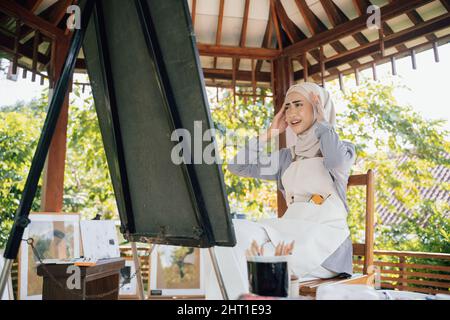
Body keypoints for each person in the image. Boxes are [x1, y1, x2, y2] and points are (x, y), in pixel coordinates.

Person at [204, 82, 356, 299]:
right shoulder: (286, 157)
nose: (291, 112)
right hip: (287, 231)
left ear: (318, 107)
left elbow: (335, 160)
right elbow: (237, 166)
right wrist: (270, 133)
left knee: (257, 260)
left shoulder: (343, 149)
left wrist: (322, 123)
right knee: (231, 234)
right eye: (287, 107)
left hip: (326, 242)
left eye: (298, 105)